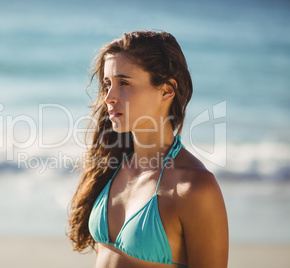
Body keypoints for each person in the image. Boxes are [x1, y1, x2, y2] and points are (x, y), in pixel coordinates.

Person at [67, 30, 229, 268]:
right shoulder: (112, 166)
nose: (109, 97)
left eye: (124, 83)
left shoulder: (195, 188)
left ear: (166, 90)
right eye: (107, 84)